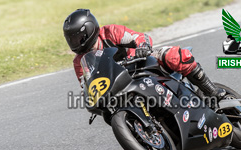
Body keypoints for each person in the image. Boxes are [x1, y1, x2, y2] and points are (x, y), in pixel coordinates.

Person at [63, 9, 225, 99]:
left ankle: (211, 91)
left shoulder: (110, 33)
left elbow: (139, 37)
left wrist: (143, 46)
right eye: (71, 39)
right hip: (118, 85)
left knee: (175, 56)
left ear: (90, 30)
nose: (75, 43)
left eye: (78, 38)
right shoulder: (80, 61)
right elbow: (86, 85)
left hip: (141, 63)